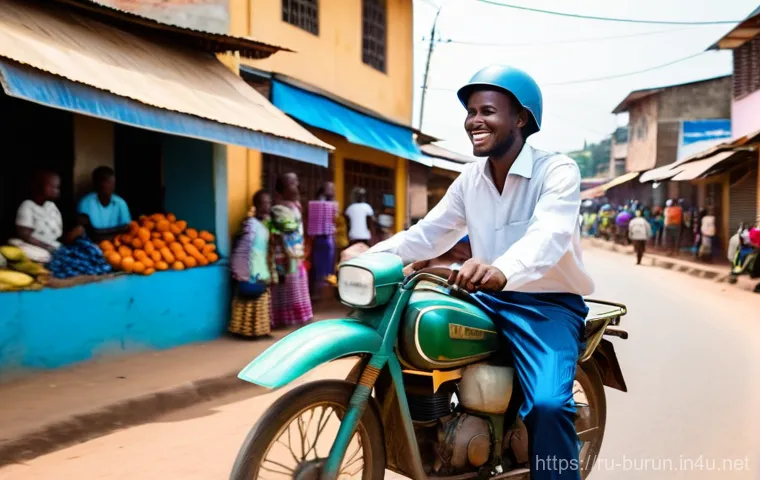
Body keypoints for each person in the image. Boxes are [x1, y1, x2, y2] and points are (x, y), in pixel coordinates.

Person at [367, 65, 593, 480]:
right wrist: (370, 256)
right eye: (471, 111)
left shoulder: (557, 171)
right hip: (487, 298)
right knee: (415, 329)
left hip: (547, 305)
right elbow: (428, 235)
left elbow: (550, 235)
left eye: (487, 110)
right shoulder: (470, 178)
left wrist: (501, 269)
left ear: (520, 119)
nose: (474, 121)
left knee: (547, 404)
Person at [228, 190, 276, 337]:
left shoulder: (265, 224)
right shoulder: (250, 224)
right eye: (262, 203)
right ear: (255, 205)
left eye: (268, 203)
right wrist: (244, 272)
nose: (266, 206)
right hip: (249, 268)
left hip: (260, 266)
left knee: (260, 300)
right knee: (248, 299)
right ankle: (244, 331)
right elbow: (244, 249)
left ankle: (259, 330)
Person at [9, 170, 83, 263]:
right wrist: (48, 248)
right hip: (35, 246)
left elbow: (55, 234)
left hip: (53, 246)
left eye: (57, 187)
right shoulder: (27, 206)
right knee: (40, 254)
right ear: (38, 186)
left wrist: (71, 235)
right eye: (52, 187)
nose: (56, 191)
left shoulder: (51, 206)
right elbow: (25, 235)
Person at [270, 173, 313, 328]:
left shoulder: (294, 206)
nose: (297, 187)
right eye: (292, 184)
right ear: (282, 189)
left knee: (297, 284)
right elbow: (285, 231)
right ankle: (285, 320)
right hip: (285, 254)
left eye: (296, 183)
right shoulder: (279, 209)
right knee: (287, 286)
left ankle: (299, 318)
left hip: (296, 253)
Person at [77, 166, 131, 242]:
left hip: (117, 245)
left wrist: (101, 233)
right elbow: (89, 233)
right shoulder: (86, 203)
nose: (112, 186)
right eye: (108, 182)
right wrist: (117, 230)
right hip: (93, 244)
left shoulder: (120, 203)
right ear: (97, 184)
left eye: (113, 182)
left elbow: (127, 229)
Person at [307, 182, 339, 301]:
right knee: (320, 266)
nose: (333, 190)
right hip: (322, 239)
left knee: (326, 266)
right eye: (330, 188)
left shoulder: (330, 204)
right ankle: (320, 294)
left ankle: (324, 293)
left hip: (328, 238)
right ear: (323, 190)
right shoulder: (320, 205)